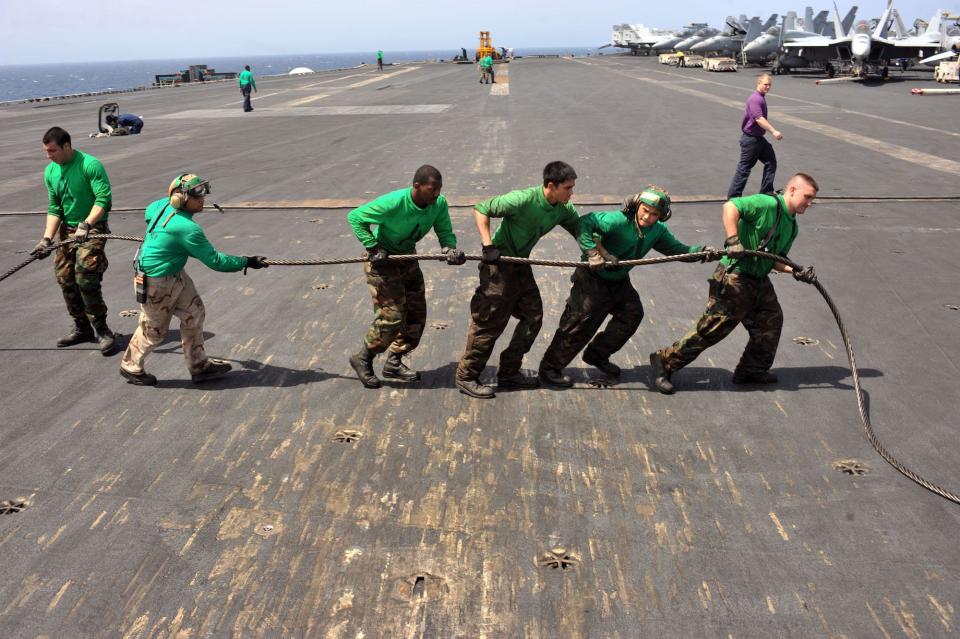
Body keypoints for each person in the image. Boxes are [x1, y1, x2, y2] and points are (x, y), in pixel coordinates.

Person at [649, 173, 820, 394]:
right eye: (807, 196)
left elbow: (775, 260)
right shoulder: (766, 203)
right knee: (714, 328)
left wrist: (796, 271)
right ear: (793, 190)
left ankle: (751, 370)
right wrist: (733, 240)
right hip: (736, 274)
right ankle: (664, 361)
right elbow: (730, 206)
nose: (810, 202)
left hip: (758, 279)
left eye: (812, 198)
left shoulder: (791, 226)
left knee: (770, 322)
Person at [538, 187, 718, 388]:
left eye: (654, 214)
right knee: (579, 324)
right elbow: (584, 223)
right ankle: (549, 369)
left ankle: (597, 354)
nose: (648, 217)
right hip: (592, 280)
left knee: (632, 314)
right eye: (645, 210)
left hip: (619, 281)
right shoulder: (617, 221)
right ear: (636, 206)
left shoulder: (657, 231)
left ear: (661, 216)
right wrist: (592, 253)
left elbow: (678, 250)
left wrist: (702, 252)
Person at [118, 174, 270, 385]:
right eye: (197, 195)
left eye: (203, 193)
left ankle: (199, 366)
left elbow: (148, 214)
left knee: (194, 313)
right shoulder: (187, 229)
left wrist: (166, 243)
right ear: (180, 198)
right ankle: (130, 366)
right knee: (154, 331)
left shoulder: (159, 206)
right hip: (157, 282)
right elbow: (216, 261)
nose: (203, 199)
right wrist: (246, 261)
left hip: (175, 273)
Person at [455, 161, 581, 399]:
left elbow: (580, 229)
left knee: (533, 318)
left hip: (521, 265)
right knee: (489, 323)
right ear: (551, 186)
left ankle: (509, 373)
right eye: (568, 187)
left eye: (572, 187)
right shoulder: (521, 199)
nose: (571, 192)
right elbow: (481, 208)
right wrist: (487, 245)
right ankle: (466, 376)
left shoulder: (563, 208)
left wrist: (597, 254)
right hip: (498, 266)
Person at [346, 165, 464, 388]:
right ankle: (363, 358)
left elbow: (444, 228)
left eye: (439, 189)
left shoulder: (438, 204)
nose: (436, 194)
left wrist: (449, 248)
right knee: (392, 318)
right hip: (383, 262)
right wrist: (372, 247)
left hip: (407, 258)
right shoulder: (394, 202)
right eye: (432, 189)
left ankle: (394, 361)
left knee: (416, 315)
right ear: (417, 186)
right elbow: (355, 217)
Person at [32, 127, 118, 355]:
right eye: (46, 151)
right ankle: (82, 329)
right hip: (68, 230)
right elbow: (55, 208)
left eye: (52, 151)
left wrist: (87, 224)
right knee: (64, 277)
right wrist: (46, 239)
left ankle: (102, 330)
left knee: (86, 276)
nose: (48, 156)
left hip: (93, 227)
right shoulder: (50, 171)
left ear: (67, 146)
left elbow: (103, 199)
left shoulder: (90, 165)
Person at [727, 74, 782, 199]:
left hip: (758, 139)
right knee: (744, 169)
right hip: (751, 140)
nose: (768, 87)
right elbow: (759, 119)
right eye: (765, 84)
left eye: (769, 85)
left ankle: (766, 191)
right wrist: (773, 131)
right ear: (759, 83)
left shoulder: (760, 98)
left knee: (771, 162)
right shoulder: (755, 99)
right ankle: (733, 197)